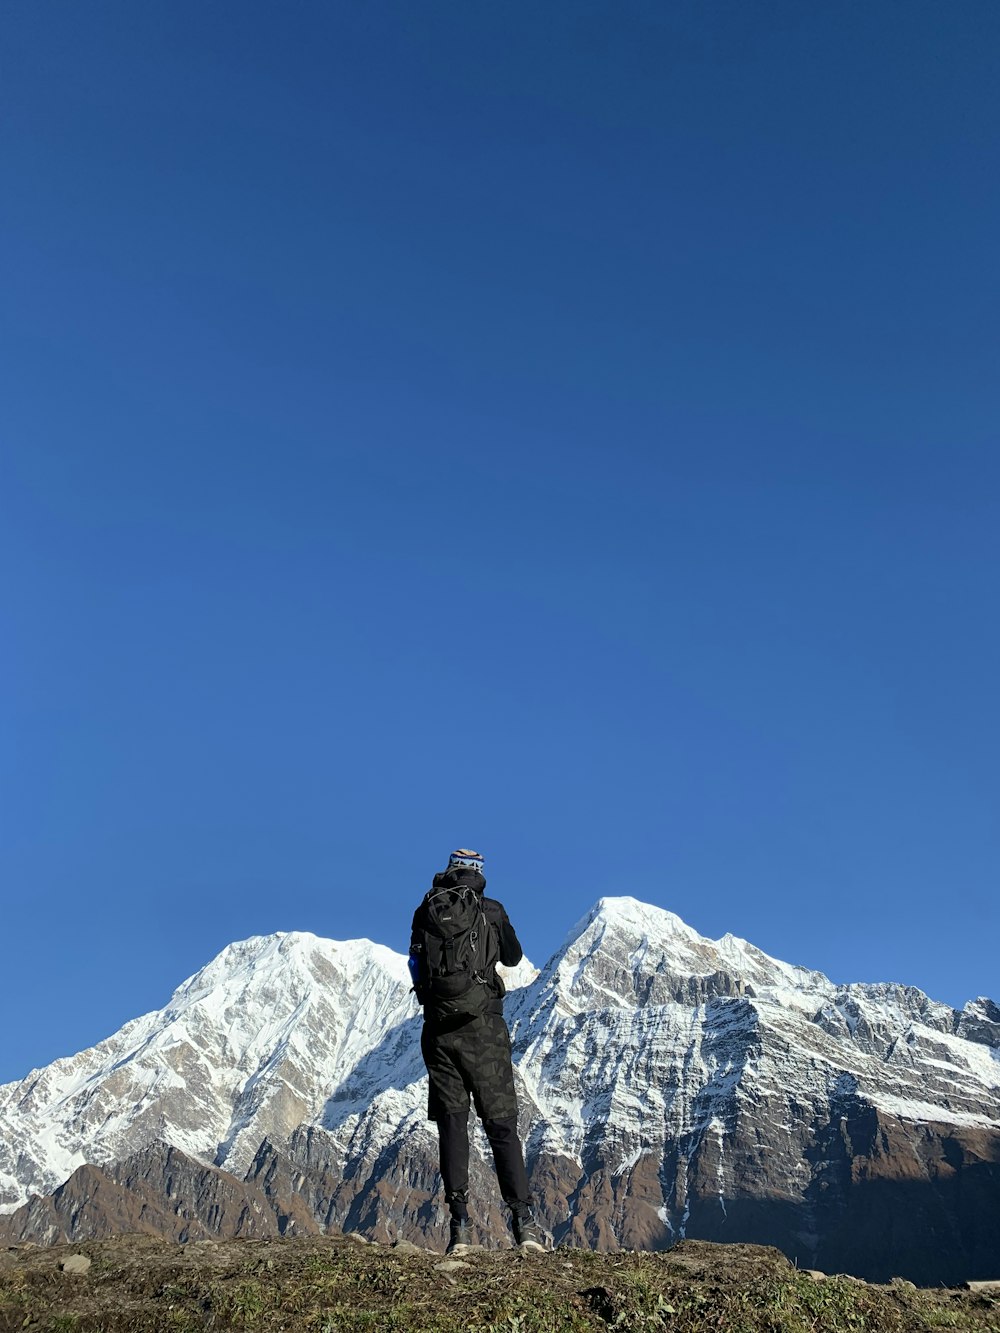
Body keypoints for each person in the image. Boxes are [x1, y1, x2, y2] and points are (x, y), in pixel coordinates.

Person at [409, 848, 546, 1254]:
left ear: (449, 872)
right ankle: (524, 1225)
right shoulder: (492, 910)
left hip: (438, 1033)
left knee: (453, 1127)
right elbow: (513, 956)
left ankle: (460, 1228)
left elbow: (415, 966)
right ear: (480, 874)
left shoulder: (425, 912)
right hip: (483, 1029)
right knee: (501, 1126)